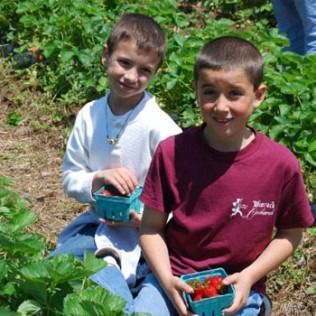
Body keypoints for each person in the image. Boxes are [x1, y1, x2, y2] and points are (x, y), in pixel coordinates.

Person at [139, 36, 314, 316]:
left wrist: (250, 276)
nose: (221, 106)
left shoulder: (279, 164)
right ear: (195, 90)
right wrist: (165, 279)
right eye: (209, 92)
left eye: (234, 94)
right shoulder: (173, 152)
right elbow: (150, 228)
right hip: (174, 280)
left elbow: (291, 233)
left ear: (258, 96)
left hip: (239, 286)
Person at [50, 12, 181, 315]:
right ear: (105, 56)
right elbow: (71, 177)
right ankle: (114, 283)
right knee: (59, 263)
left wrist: (145, 216)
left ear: (156, 72)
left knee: (135, 295)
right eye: (124, 62)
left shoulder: (160, 127)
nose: (131, 76)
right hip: (96, 225)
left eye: (145, 70)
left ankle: (125, 290)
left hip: (151, 237)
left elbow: (183, 195)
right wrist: (97, 179)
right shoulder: (90, 115)